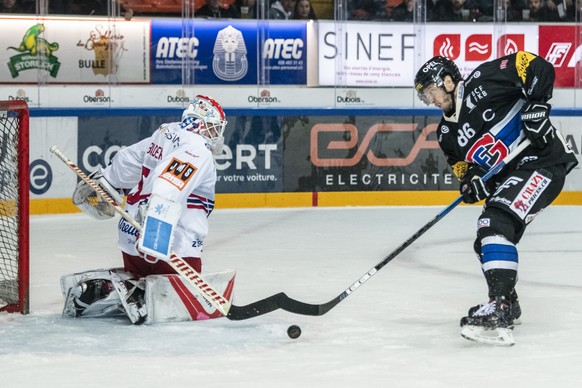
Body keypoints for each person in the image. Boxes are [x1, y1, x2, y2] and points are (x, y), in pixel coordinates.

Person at [414, 54, 578, 346]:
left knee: (495, 223)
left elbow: (537, 66)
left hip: (542, 163)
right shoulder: (446, 133)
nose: (431, 100)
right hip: (513, 178)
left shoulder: (483, 81)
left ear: (448, 81)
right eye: (425, 97)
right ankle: (509, 303)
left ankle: (499, 308)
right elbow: (466, 169)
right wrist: (473, 183)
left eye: (431, 91)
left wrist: (537, 104)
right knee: (485, 241)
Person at [61, 95, 236, 325]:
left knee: (142, 277)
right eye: (213, 128)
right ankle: (137, 295)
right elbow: (168, 187)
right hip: (170, 244)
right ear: (201, 124)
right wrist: (156, 234)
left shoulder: (166, 133)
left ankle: (107, 288)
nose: (216, 136)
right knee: (177, 301)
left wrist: (107, 182)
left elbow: (126, 161)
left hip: (131, 237)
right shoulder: (197, 149)